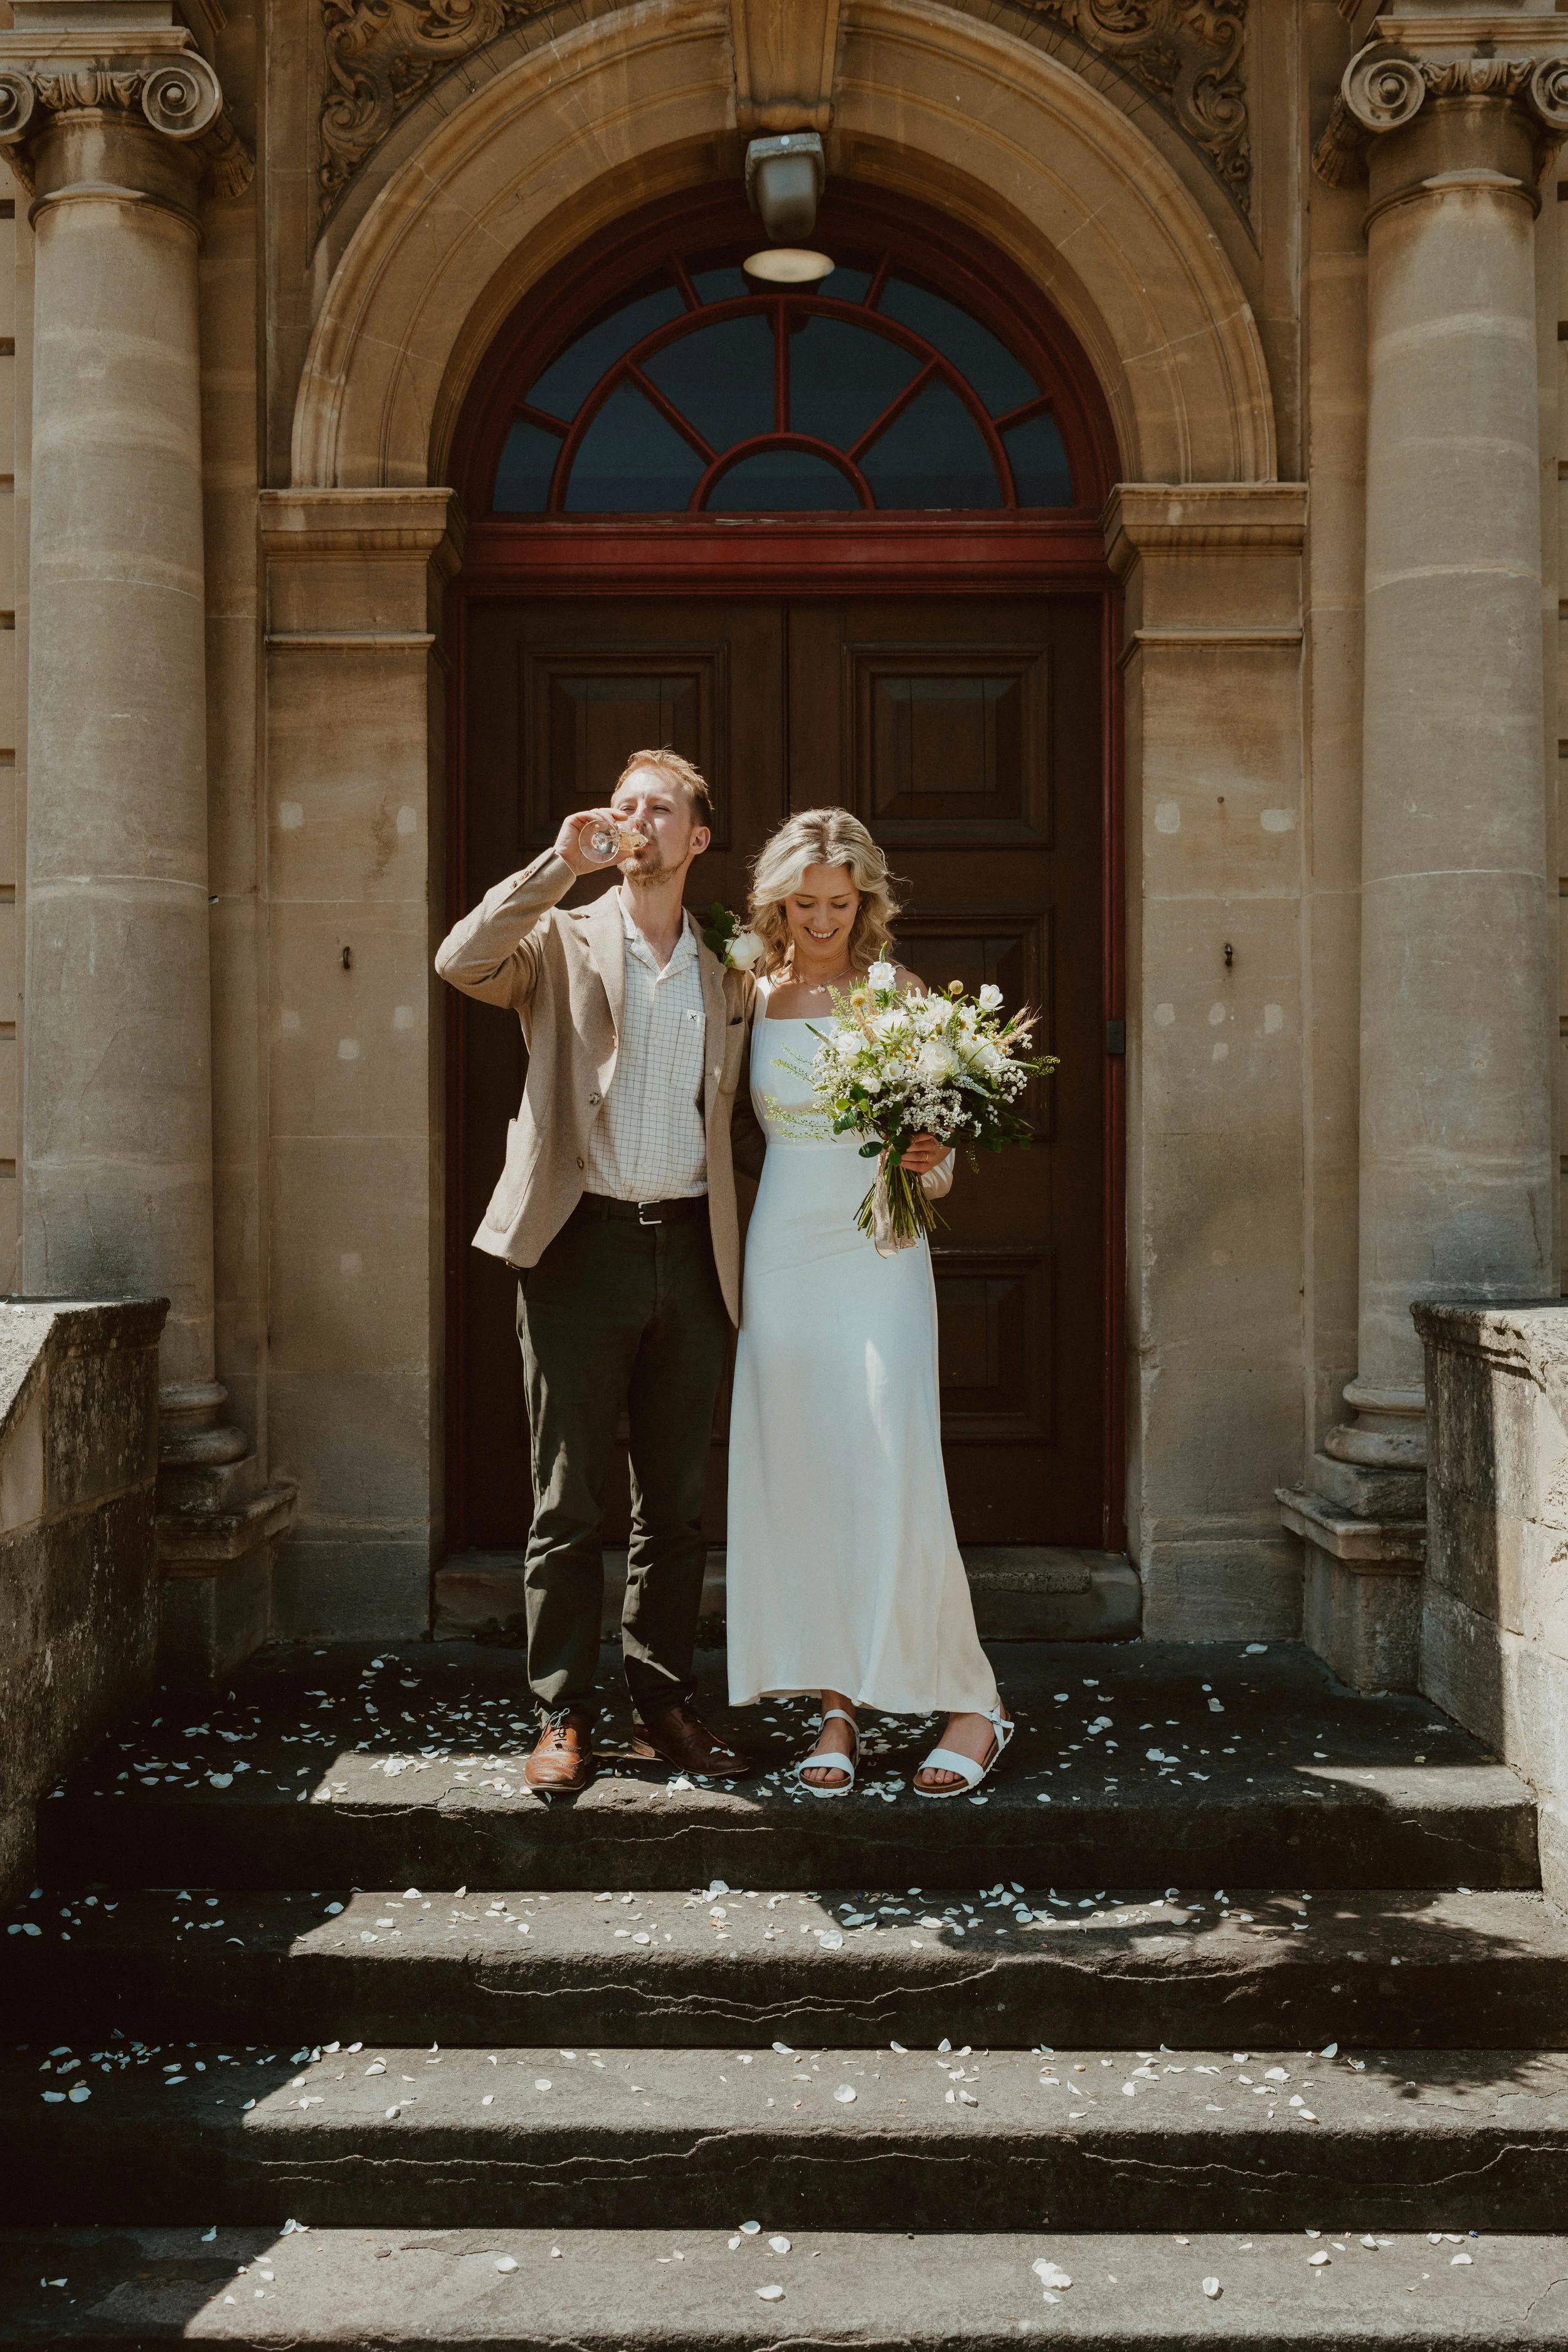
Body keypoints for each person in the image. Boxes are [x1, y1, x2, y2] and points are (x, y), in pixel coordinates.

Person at [435, 748, 764, 1794]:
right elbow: (459, 959)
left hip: (695, 1250)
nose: (637, 822)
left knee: (674, 1503)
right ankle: (562, 1711)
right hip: (580, 1246)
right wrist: (555, 865)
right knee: (568, 1498)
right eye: (624, 807)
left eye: (659, 809)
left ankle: (663, 1702)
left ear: (698, 838)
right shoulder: (562, 939)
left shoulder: (732, 967)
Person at [724, 807, 1012, 1798]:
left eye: (839, 905)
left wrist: (930, 1163)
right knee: (805, 1469)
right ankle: (836, 1704)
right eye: (803, 904)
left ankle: (975, 1699)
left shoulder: (897, 993)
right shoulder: (749, 995)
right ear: (776, 901)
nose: (820, 922)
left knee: (892, 1460)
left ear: (867, 902)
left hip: (879, 1250)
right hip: (784, 1253)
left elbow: (937, 1156)